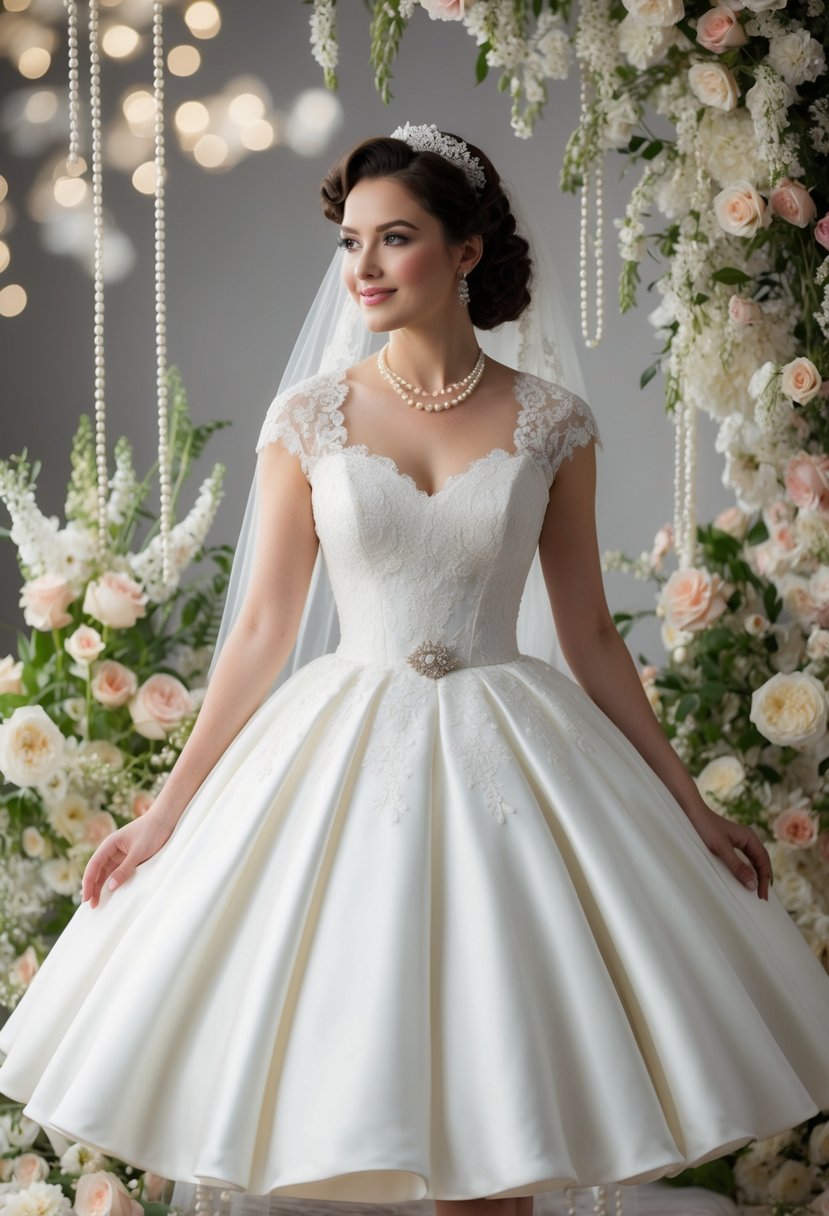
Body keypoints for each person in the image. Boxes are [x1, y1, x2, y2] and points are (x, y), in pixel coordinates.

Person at [1, 124, 829, 1216]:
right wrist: (163, 815)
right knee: (354, 1089)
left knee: (507, 1118)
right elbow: (259, 631)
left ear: (466, 251)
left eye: (397, 238)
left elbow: (585, 634)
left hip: (515, 765)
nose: (367, 269)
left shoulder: (553, 423)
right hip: (346, 752)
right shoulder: (309, 418)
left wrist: (687, 806)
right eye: (353, 243)